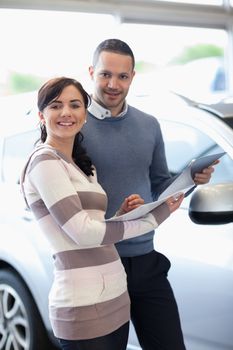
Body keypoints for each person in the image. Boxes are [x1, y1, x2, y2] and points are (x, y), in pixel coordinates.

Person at [20, 77, 184, 350]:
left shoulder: (83, 166)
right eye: (56, 106)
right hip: (83, 306)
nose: (66, 113)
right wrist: (155, 217)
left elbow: (95, 226)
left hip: (114, 299)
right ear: (41, 115)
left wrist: (121, 214)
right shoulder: (44, 162)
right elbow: (83, 233)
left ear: (85, 115)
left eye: (75, 105)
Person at [81, 39, 219, 350]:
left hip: (146, 261)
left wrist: (191, 180)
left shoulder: (148, 125)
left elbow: (158, 185)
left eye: (122, 76)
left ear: (132, 76)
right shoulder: (74, 124)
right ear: (91, 72)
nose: (113, 84)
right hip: (99, 265)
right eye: (105, 74)